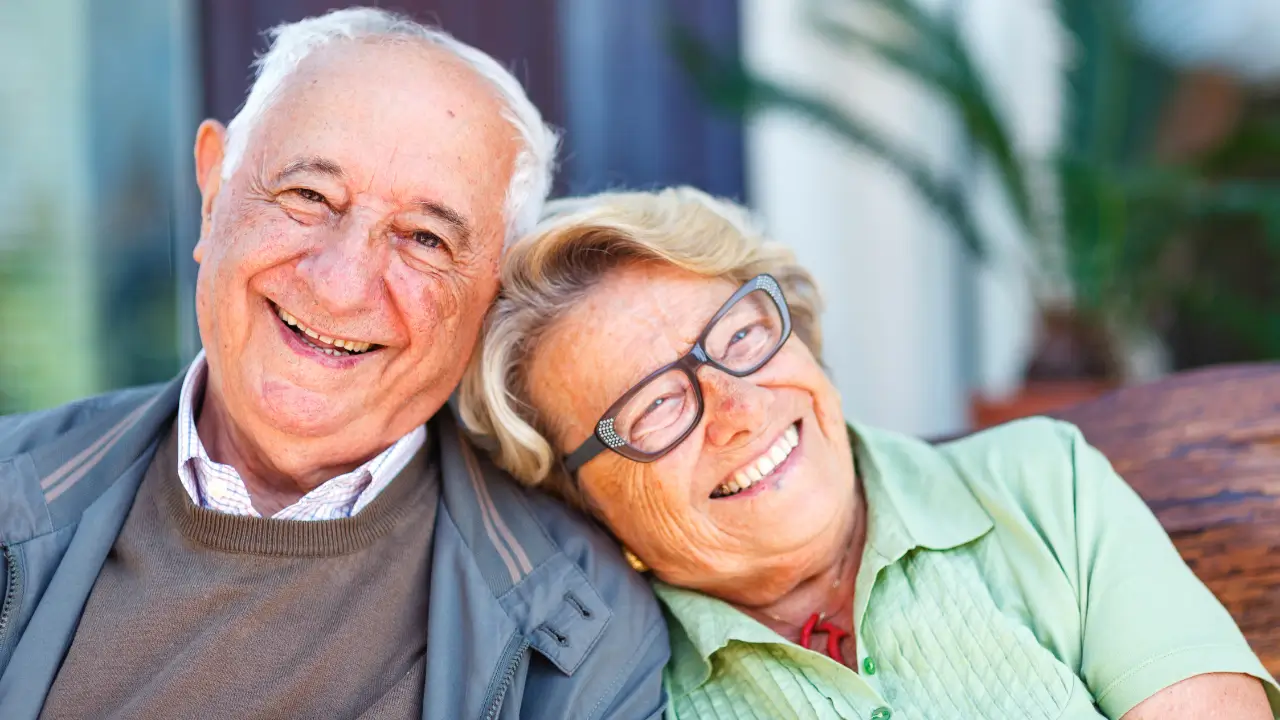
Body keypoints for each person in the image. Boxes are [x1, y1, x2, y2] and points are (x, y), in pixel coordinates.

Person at [0, 9, 669, 719]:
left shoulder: (582, 635)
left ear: (492, 295)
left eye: (424, 238)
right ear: (214, 191)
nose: (339, 284)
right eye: (309, 196)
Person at [460, 186, 1280, 720]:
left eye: (739, 336)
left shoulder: (1043, 486)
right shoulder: (624, 689)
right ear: (582, 496)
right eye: (656, 405)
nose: (738, 408)